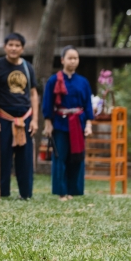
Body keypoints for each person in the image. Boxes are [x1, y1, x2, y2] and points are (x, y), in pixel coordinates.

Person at [0, 33, 38, 201]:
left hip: (25, 118)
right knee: (0, 155)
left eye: (17, 45)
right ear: (5, 46)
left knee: (25, 158)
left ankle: (25, 193)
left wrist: (35, 120)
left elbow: (34, 94)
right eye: (11, 45)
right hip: (3, 117)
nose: (14, 48)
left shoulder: (28, 68)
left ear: (22, 48)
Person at [42, 46, 93, 201]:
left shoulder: (83, 82)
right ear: (62, 60)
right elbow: (48, 103)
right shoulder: (53, 80)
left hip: (78, 123)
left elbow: (88, 105)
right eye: (70, 58)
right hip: (60, 123)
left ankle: (73, 190)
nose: (73, 61)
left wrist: (89, 125)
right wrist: (48, 123)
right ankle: (61, 192)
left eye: (75, 58)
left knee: (76, 157)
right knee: (60, 157)